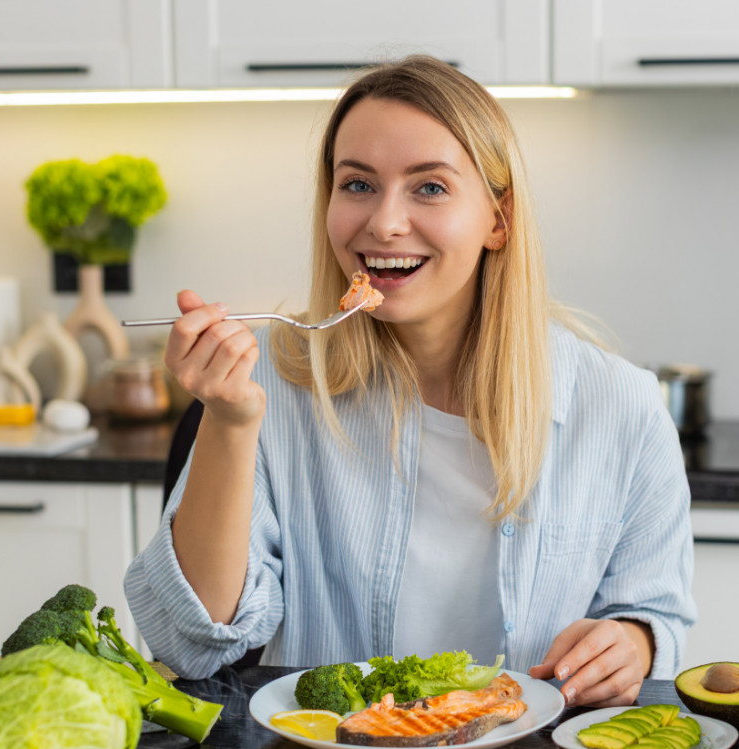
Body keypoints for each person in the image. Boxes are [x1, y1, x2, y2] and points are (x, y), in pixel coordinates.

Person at [125, 55, 695, 708]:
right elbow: (191, 646)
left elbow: (654, 614)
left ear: (498, 219)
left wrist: (632, 643)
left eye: (429, 188)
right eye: (357, 184)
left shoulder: (621, 406)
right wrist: (228, 424)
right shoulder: (274, 383)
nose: (384, 222)